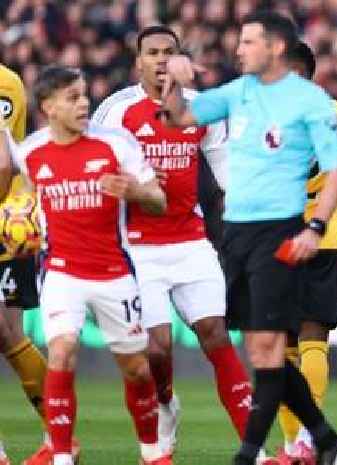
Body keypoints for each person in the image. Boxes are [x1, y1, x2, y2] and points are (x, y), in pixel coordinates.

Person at [159, 11, 337, 465]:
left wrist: (316, 226)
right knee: (266, 348)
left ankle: (272, 450)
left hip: (297, 234)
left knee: (295, 343)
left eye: (248, 42)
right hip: (244, 236)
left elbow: (336, 171)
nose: (238, 49)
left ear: (276, 50)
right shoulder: (241, 94)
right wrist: (177, 82)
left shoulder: (317, 107)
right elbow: (179, 119)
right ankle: (319, 440)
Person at [92, 25, 254, 458]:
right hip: (139, 247)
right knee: (156, 349)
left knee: (215, 333)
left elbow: (225, 170)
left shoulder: (203, 109)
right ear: (138, 61)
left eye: (169, 52)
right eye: (152, 53)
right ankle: (164, 403)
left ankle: (255, 448)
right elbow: (93, 169)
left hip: (191, 239)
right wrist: (133, 181)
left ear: (180, 58)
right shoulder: (116, 110)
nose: (161, 60)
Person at [0, 65, 170, 465]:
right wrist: (20, 229)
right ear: (49, 107)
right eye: (73, 97)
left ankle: (152, 452)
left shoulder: (116, 144)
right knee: (61, 352)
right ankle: (62, 454)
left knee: (136, 369)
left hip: (114, 271)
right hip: (61, 272)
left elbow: (159, 201)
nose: (84, 103)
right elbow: (22, 197)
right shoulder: (31, 153)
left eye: (84, 94)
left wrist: (135, 190)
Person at [273, 41, 337, 465]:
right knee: (305, 342)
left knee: (295, 342)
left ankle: (299, 443)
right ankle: (300, 443)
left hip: (288, 238)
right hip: (323, 236)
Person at [0, 63, 80, 465]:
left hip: (6, 225)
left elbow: (1, 161)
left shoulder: (3, 83)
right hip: (10, 224)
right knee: (8, 334)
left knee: (9, 333)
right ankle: (59, 436)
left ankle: (59, 436)